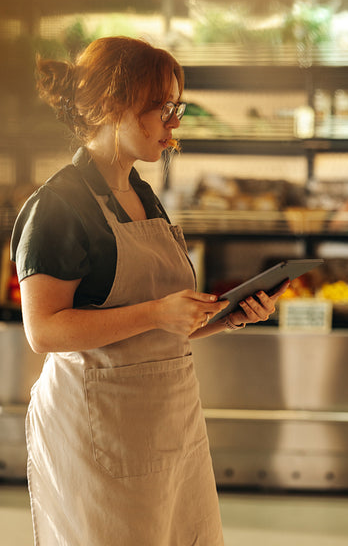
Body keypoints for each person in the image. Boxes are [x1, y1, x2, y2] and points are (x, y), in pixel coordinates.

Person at [11, 36, 288, 546]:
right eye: (163, 108)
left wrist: (222, 318)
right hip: (97, 429)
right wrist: (159, 311)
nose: (175, 123)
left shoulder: (141, 193)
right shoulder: (58, 206)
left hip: (171, 425)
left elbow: (151, 334)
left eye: (175, 108)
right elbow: (44, 330)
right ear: (115, 105)